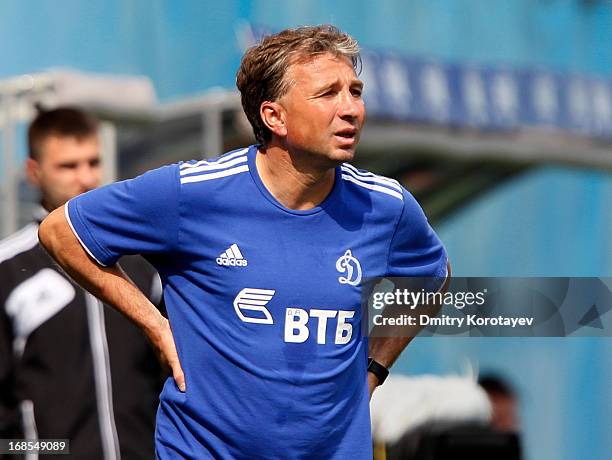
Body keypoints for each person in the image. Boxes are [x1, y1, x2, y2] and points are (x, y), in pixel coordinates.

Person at [39, 26, 450, 458]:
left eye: (355, 91)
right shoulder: (191, 193)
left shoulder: (386, 206)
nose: (351, 109)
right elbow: (61, 232)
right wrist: (155, 325)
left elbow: (433, 278)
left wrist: (374, 367)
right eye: (328, 94)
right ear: (275, 117)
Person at [0, 107, 165, 459]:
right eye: (68, 166)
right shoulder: (8, 268)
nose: (86, 178)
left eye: (93, 162)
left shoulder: (144, 265)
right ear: (34, 171)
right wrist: (30, 453)